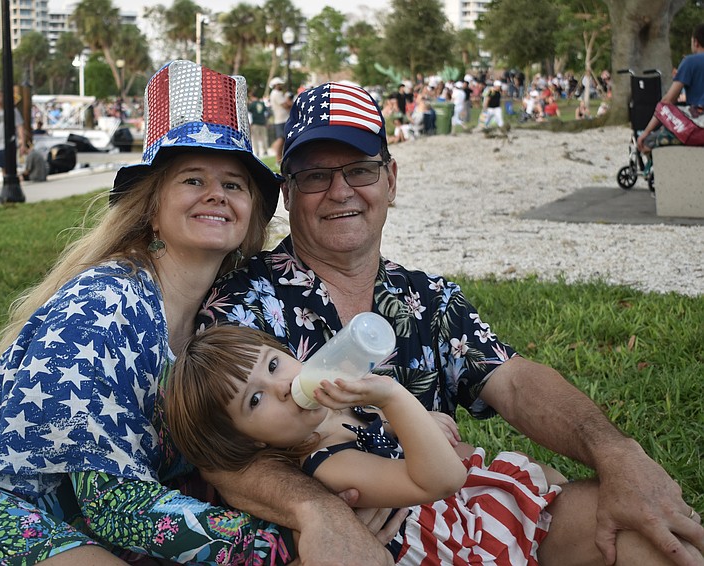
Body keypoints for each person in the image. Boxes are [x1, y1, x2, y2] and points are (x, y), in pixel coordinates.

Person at [0, 61, 397, 566]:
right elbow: (111, 503)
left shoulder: (230, 311)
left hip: (80, 526)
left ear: (252, 212)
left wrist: (346, 486)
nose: (217, 195)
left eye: (234, 184)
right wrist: (288, 539)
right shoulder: (106, 302)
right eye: (192, 179)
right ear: (152, 207)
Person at [197, 81, 704, 566]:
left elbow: (516, 381)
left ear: (390, 180)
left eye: (360, 170)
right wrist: (319, 512)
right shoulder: (243, 305)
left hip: (471, 520)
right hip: (360, 545)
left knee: (645, 533)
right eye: (314, 176)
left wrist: (615, 452)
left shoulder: (429, 297)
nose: (339, 191)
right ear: (288, 192)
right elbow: (217, 450)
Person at [167, 325, 571, 564]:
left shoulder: (330, 410)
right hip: (440, 539)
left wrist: (405, 424)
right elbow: (443, 478)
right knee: (528, 504)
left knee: (548, 479)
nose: (282, 388)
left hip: (451, 504)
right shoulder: (325, 462)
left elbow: (377, 433)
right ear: (249, 441)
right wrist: (395, 399)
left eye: (274, 365)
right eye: (255, 400)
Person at [637, 23, 704, 154]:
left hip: (696, 130)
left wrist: (646, 131)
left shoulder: (690, 62)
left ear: (695, 42)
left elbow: (668, 100)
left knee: (649, 141)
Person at [268, 77, 292, 162]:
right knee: (281, 139)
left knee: (282, 138)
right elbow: (286, 105)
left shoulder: (275, 93)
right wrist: (288, 99)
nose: (282, 86)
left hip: (281, 119)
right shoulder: (276, 93)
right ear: (276, 85)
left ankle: (280, 158)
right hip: (282, 120)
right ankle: (278, 159)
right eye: (280, 84)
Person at [248, 89, 269, 157]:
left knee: (255, 138)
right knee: (264, 137)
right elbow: (266, 113)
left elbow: (249, 114)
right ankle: (265, 151)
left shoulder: (252, 105)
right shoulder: (262, 103)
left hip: (255, 123)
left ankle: (257, 152)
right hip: (262, 122)